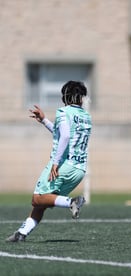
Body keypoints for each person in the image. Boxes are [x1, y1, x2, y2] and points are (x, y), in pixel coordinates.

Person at [6, 81, 92, 242]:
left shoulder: (63, 111)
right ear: (81, 98)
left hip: (64, 165)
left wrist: (55, 162)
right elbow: (63, 135)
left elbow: (65, 136)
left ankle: (71, 202)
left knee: (37, 198)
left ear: (66, 96)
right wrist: (45, 121)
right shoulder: (86, 116)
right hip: (79, 170)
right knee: (42, 203)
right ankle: (21, 233)